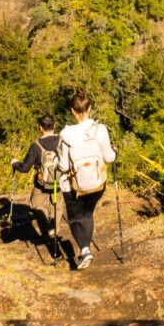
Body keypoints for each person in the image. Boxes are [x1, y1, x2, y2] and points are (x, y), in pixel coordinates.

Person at [57, 88, 117, 270]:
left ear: (72, 111)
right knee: (88, 215)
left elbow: (64, 167)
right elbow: (109, 158)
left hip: (73, 187)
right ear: (89, 108)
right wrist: (114, 151)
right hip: (97, 184)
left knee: (75, 219)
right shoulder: (101, 130)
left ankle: (85, 250)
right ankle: (86, 248)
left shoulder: (65, 135)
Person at [11, 114, 64, 247]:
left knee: (35, 204)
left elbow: (24, 168)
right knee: (57, 206)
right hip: (59, 180)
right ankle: (55, 233)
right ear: (54, 125)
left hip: (42, 183)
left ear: (41, 128)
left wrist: (15, 163)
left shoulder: (36, 145)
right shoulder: (62, 142)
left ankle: (48, 230)